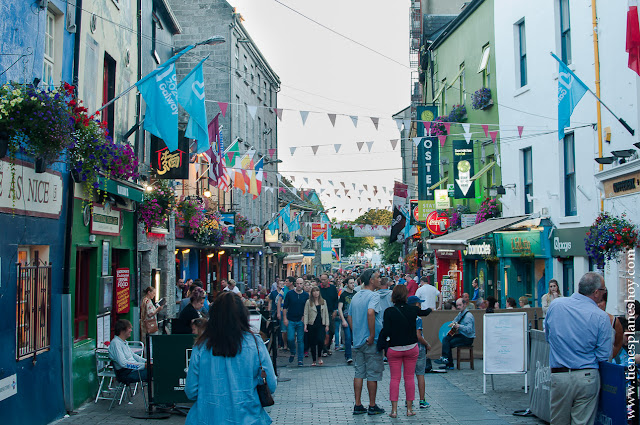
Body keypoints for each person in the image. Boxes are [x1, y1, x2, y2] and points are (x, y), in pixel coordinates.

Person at [185, 292, 276, 425]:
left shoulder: (201, 346)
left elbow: (191, 391)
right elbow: (271, 385)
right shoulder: (255, 343)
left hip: (208, 417)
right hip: (248, 417)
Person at [544, 272, 612, 425]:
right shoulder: (601, 317)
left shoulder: (556, 305)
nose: (604, 294)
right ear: (596, 292)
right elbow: (603, 355)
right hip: (586, 375)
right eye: (603, 290)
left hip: (560, 375)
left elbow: (548, 337)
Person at [378, 286, 432, 417]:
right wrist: (430, 309)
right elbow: (424, 312)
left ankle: (394, 410)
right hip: (411, 348)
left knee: (395, 379)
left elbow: (386, 330)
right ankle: (409, 409)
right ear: (405, 296)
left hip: (394, 348)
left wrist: (381, 345)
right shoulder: (413, 309)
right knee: (409, 378)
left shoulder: (389, 311)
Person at [347, 269, 385, 416]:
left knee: (358, 373)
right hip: (370, 341)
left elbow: (349, 316)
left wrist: (356, 331)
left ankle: (357, 404)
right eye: (377, 277)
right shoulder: (374, 296)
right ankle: (372, 405)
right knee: (372, 373)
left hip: (358, 340)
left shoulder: (356, 296)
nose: (379, 280)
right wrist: (372, 334)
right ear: (371, 280)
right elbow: (371, 312)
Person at [434, 297, 475, 370]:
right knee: (446, 339)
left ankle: (449, 363)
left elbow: (469, 330)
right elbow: (455, 320)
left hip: (467, 338)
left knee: (448, 343)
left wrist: (459, 326)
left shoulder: (468, 316)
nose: (458, 307)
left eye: (460, 305)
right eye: (457, 305)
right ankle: (446, 359)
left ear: (464, 304)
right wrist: (453, 324)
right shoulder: (461, 313)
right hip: (462, 335)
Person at [109, 319, 149, 383]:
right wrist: (144, 365)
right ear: (122, 330)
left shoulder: (124, 342)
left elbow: (134, 356)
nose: (131, 330)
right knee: (155, 372)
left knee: (156, 369)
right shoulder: (116, 343)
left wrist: (147, 361)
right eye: (129, 328)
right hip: (126, 374)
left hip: (132, 370)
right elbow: (123, 363)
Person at [409, 295, 431, 409]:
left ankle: (409, 400)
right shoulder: (418, 318)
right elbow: (418, 335)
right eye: (419, 303)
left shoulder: (406, 317)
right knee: (420, 374)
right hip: (419, 349)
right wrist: (426, 344)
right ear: (416, 305)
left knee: (409, 376)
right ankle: (422, 400)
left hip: (408, 347)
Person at [283, 277, 309, 366]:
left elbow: (307, 308)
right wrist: (285, 318)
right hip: (291, 319)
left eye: (301, 284)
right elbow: (285, 307)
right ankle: (293, 351)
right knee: (290, 338)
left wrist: (305, 318)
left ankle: (300, 359)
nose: (299, 285)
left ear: (303, 284)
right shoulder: (290, 294)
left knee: (300, 340)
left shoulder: (306, 295)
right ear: (295, 284)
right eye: (297, 283)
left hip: (300, 321)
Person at [303, 286, 329, 366]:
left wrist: (327, 324)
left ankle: (319, 356)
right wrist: (305, 325)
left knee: (321, 340)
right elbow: (306, 313)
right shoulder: (308, 302)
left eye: (317, 291)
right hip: (312, 324)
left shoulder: (323, 301)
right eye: (314, 291)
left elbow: (326, 314)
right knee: (312, 342)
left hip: (321, 324)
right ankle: (314, 359)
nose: (316, 293)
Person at [597, 291, 624, 360]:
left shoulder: (614, 321)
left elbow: (618, 343)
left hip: (606, 364)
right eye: (595, 302)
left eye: (601, 301)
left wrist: (610, 357)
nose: (598, 305)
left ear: (605, 303)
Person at [319, 274, 339, 356]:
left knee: (332, 330)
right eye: (322, 280)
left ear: (328, 280)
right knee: (322, 331)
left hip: (330, 312)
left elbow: (336, 300)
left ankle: (328, 346)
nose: (323, 281)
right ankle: (324, 349)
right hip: (321, 312)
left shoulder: (333, 288)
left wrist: (335, 310)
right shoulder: (319, 289)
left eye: (324, 279)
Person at [338, 277, 356, 364]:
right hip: (346, 317)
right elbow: (340, 308)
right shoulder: (343, 295)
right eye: (351, 283)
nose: (353, 284)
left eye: (353, 283)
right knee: (348, 337)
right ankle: (348, 356)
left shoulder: (356, 294)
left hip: (355, 318)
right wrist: (343, 320)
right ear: (347, 284)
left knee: (354, 337)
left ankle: (356, 356)